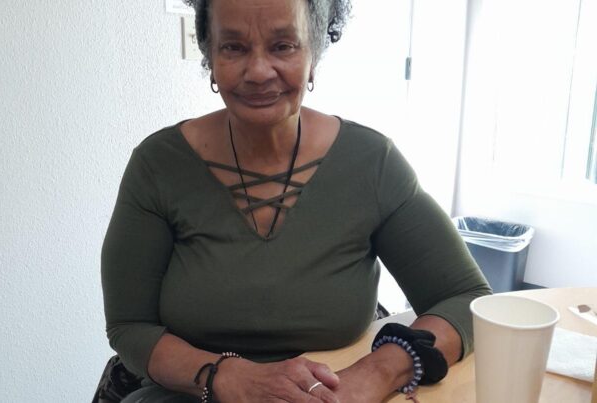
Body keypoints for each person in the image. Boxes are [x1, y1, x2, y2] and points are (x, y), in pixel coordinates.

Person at [100, 0, 491, 402]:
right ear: (209, 54)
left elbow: (467, 298)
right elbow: (131, 326)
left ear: (314, 51)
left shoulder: (372, 164)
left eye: (283, 45)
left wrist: (379, 371)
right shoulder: (158, 166)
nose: (258, 71)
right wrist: (228, 376)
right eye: (233, 47)